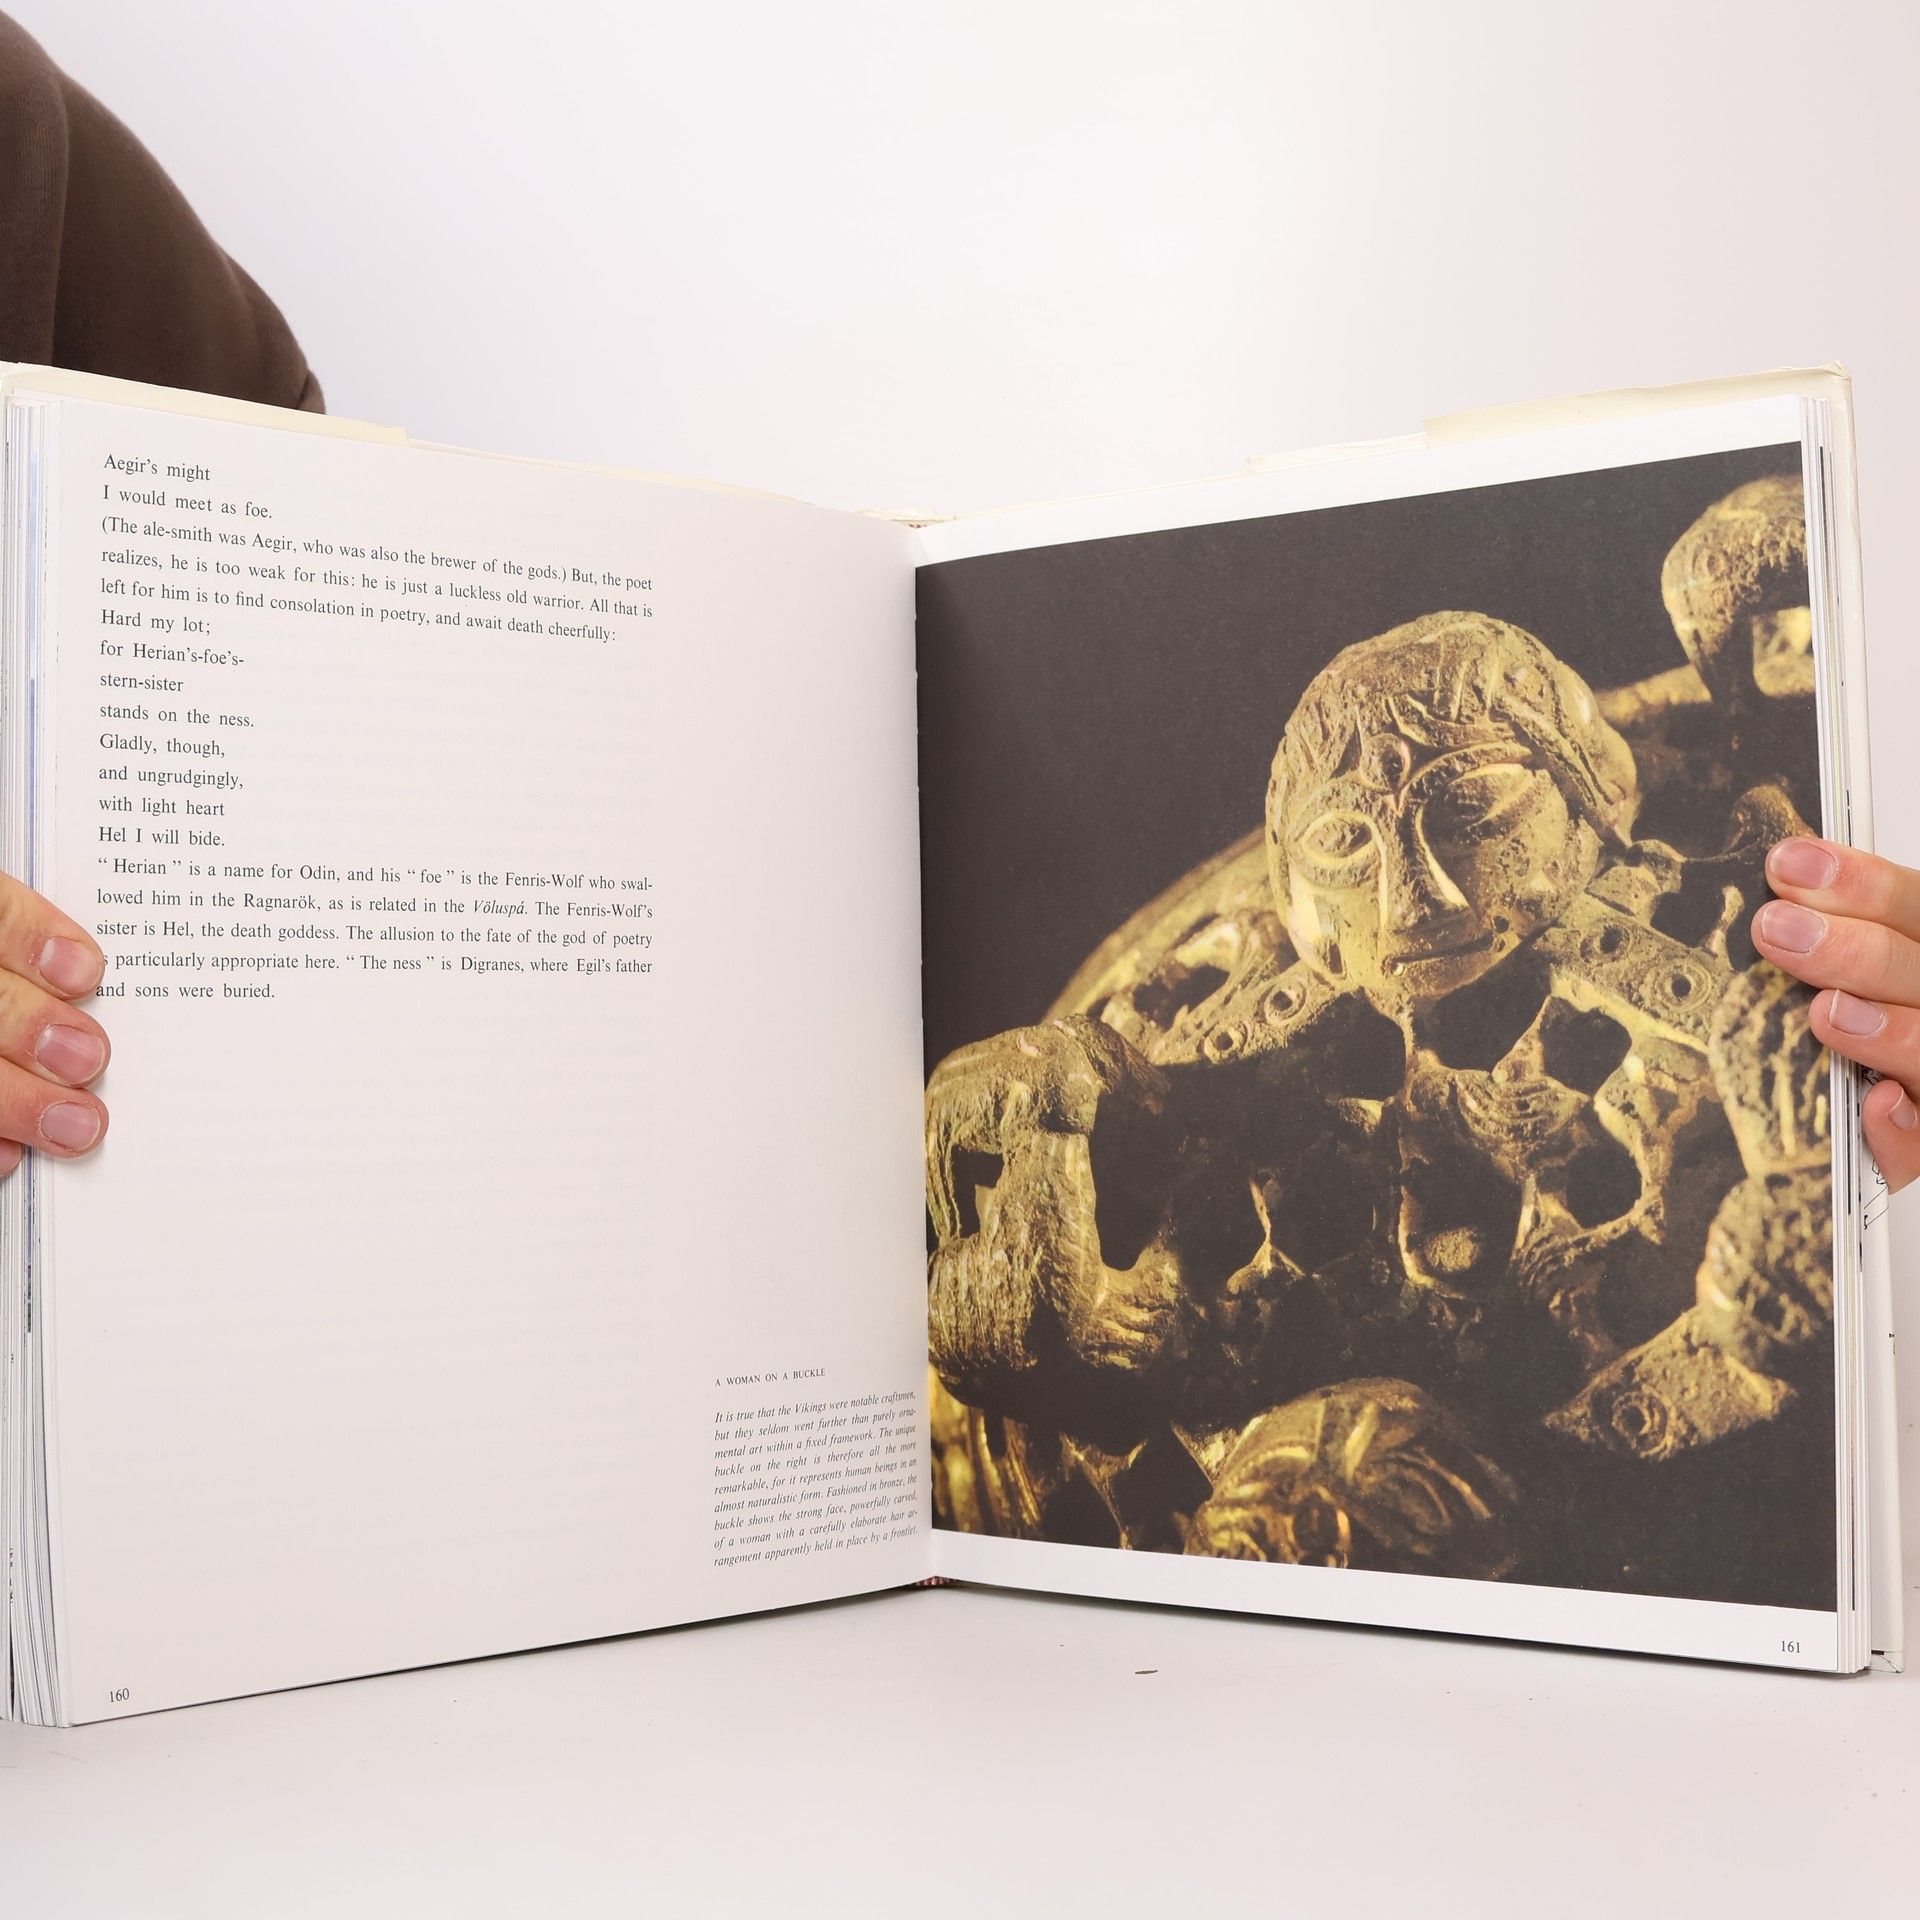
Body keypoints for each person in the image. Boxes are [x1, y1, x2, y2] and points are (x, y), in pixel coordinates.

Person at [0, 14, 1913, 1201]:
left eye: (1472, 815)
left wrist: (1858, 1042)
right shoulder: (1212, 1032)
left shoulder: (41, 172)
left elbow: (303, 652)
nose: (1416, 894)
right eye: (1358, 847)